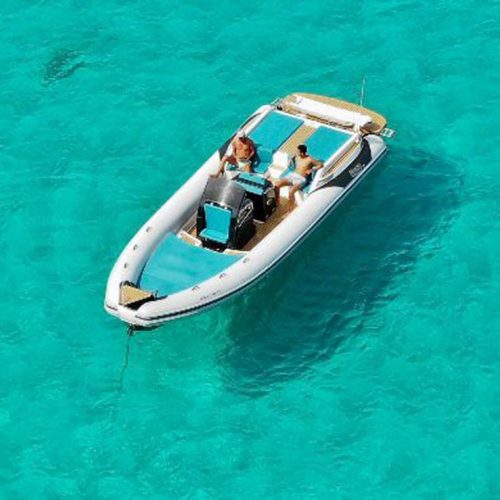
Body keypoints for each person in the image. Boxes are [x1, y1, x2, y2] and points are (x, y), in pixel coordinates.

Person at [273, 144, 323, 211]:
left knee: (291, 191)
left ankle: (291, 208)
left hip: (301, 179)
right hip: (293, 175)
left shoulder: (310, 159)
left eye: (298, 151)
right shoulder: (297, 156)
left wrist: (311, 170)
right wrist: (290, 161)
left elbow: (321, 165)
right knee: (277, 185)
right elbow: (291, 159)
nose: (296, 152)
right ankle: (277, 203)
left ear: (302, 153)